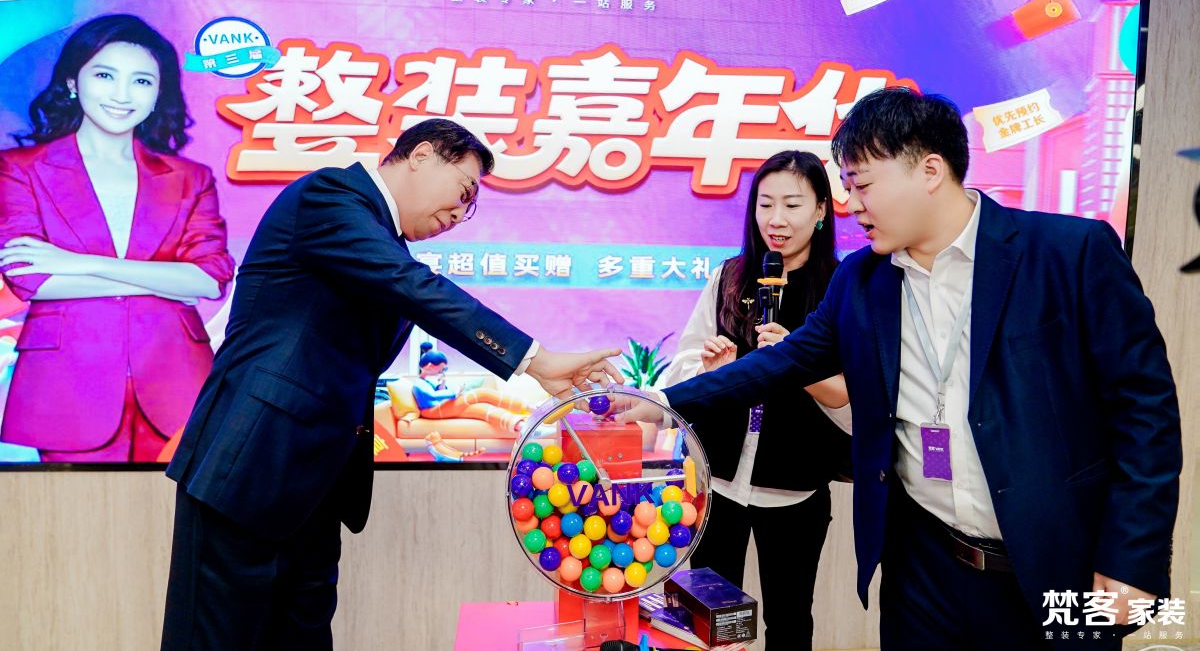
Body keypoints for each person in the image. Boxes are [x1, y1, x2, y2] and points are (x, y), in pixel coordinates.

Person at [623, 87, 1181, 650]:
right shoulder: (862, 280)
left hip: (1055, 564)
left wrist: (1132, 557)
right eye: (847, 186)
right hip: (923, 569)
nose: (852, 203)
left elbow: (1145, 412)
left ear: (930, 170)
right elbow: (783, 362)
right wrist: (661, 403)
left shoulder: (1069, 253)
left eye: (862, 184)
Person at [160, 118, 623, 650]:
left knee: (303, 638)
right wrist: (533, 360)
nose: (460, 214)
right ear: (421, 156)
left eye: (470, 208)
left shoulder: (387, 245)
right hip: (249, 466)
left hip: (315, 487)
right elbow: (413, 288)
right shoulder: (330, 196)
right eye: (463, 192)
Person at [0, 14, 233, 463]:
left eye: (142, 81)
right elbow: (32, 279)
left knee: (180, 505)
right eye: (105, 75)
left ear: (158, 94)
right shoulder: (20, 168)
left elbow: (209, 279)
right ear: (73, 81)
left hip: (178, 378)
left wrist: (80, 262)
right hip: (69, 384)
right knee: (77, 506)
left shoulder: (190, 177)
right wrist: (165, 281)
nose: (122, 95)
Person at [661, 150, 851, 649]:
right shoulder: (730, 277)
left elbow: (852, 399)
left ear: (821, 210)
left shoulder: (841, 287)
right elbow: (681, 365)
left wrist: (793, 363)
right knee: (710, 622)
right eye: (765, 205)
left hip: (795, 491)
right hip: (718, 484)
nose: (776, 219)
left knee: (789, 621)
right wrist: (712, 372)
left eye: (792, 204)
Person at [412, 342, 531, 432]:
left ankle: (521, 425)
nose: (442, 371)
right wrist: (455, 393)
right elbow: (433, 396)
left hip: (440, 407)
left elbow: (439, 391)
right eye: (441, 369)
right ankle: (528, 407)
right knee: (481, 394)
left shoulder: (427, 381)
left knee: (482, 409)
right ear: (430, 366)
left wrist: (443, 384)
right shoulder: (418, 384)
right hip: (431, 411)